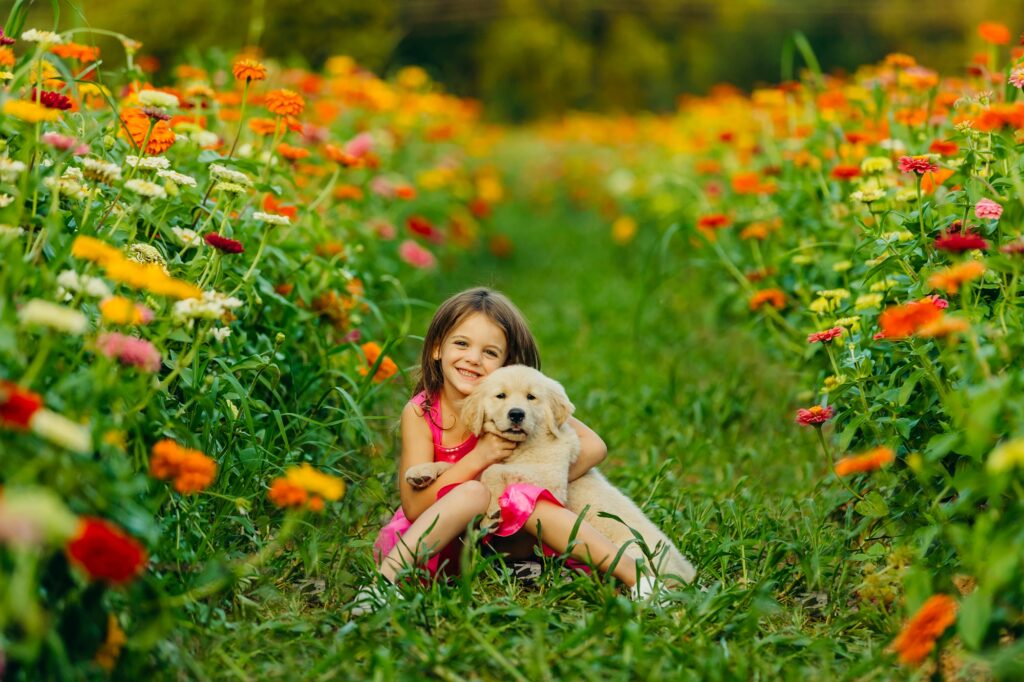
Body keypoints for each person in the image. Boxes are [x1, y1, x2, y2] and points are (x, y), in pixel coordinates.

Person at [352, 287, 659, 614]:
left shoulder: (516, 405)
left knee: (527, 498)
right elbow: (414, 507)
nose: (473, 358)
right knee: (472, 493)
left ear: (507, 364)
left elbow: (595, 446)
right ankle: (381, 586)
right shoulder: (421, 412)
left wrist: (531, 484)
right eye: (461, 344)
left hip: (505, 538)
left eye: (490, 352)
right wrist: (480, 458)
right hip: (439, 543)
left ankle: (638, 577)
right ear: (437, 348)